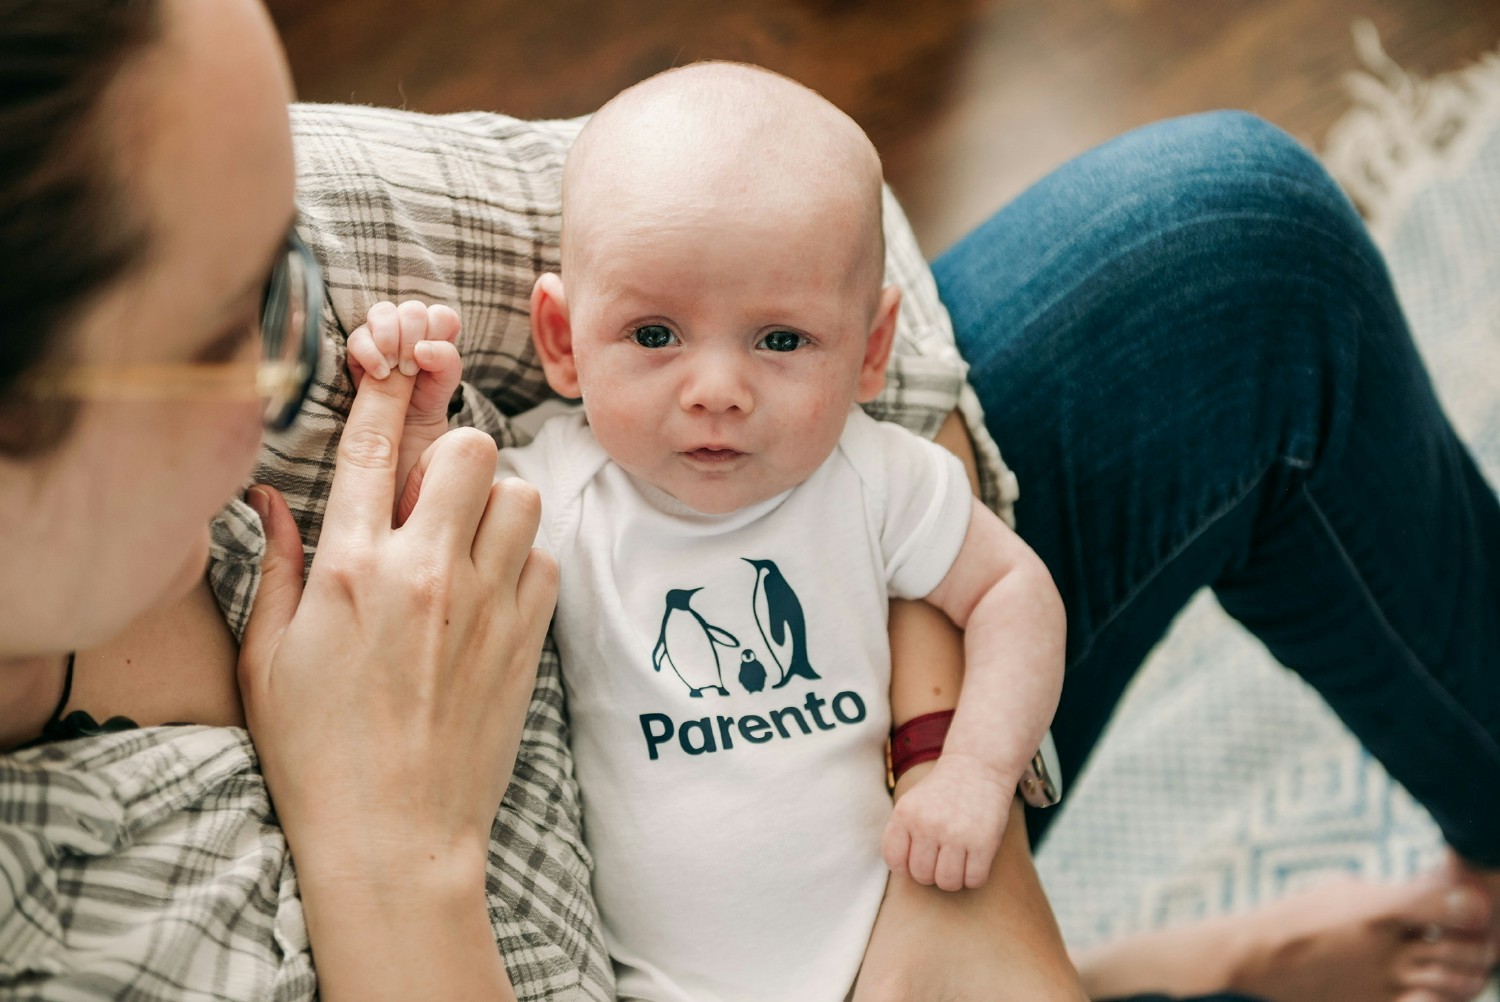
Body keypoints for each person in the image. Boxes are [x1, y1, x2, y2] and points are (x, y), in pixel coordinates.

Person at [1, 1, 1496, 1000]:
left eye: (296, 255)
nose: (314, 333)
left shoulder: (154, 146)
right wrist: (392, 865)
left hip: (883, 842)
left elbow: (770, 211)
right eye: (235, 325)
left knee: (1230, 245)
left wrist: (937, 771)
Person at [344, 62, 1066, 1001]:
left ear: (871, 350)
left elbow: (1016, 592)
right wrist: (424, 422)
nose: (716, 389)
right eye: (654, 336)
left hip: (899, 940)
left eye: (780, 340)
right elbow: (435, 556)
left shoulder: (872, 475)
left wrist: (975, 768)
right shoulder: (565, 489)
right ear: (563, 342)